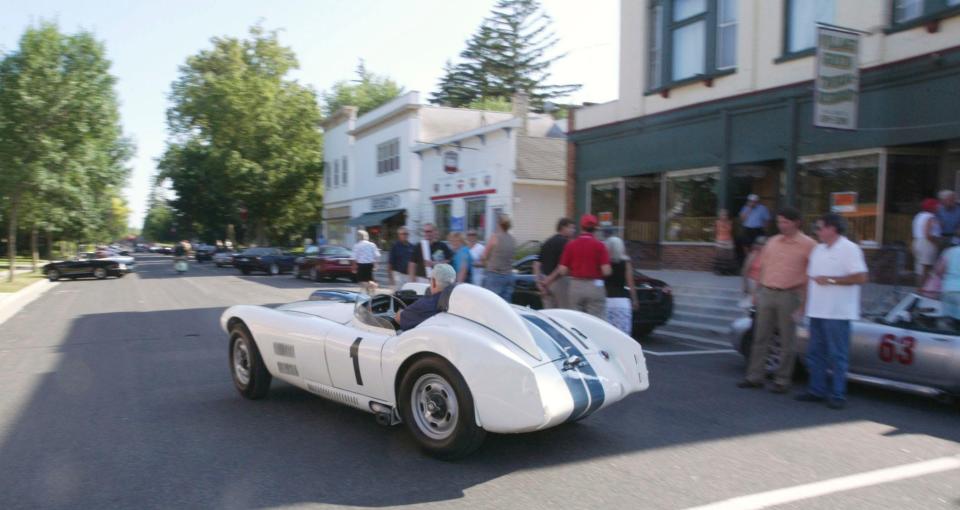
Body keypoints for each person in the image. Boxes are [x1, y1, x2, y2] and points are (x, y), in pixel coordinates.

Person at [738, 207, 817, 393]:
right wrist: (756, 293)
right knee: (760, 336)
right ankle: (754, 377)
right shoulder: (772, 242)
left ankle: (782, 380)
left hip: (789, 295)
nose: (781, 225)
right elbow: (763, 268)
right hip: (767, 292)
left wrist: (804, 304)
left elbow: (811, 275)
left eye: (785, 222)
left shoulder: (809, 245)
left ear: (796, 222)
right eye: (779, 222)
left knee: (787, 339)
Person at [796, 214, 868, 410]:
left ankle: (838, 393)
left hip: (838, 312)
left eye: (819, 228)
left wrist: (832, 280)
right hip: (817, 311)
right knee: (815, 352)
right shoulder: (818, 250)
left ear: (832, 229)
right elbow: (810, 281)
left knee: (837, 355)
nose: (817, 232)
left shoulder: (849, 249)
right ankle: (816, 389)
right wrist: (804, 307)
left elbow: (861, 277)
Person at [543, 214, 612, 319]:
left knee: (576, 319)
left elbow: (562, 270)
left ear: (581, 227)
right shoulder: (600, 245)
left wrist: (573, 271)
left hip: (576, 285)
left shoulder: (571, 245)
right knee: (596, 320)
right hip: (595, 285)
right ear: (595, 228)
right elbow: (606, 271)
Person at [395, 264, 457, 330]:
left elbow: (399, 318)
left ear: (433, 282)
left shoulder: (426, 304)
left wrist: (400, 311)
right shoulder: (457, 301)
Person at [535, 218, 575, 309]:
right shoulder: (566, 243)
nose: (573, 230)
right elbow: (562, 266)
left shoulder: (547, 242)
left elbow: (536, 263)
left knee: (549, 314)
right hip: (560, 281)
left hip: (545, 281)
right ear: (563, 227)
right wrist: (549, 280)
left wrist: (539, 282)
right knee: (564, 311)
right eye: (571, 228)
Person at [603, 235, 639, 335]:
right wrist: (634, 300)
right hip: (622, 300)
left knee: (607, 333)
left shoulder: (605, 263)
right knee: (623, 334)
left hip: (607, 299)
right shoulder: (626, 263)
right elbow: (630, 282)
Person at [482, 214, 517, 301]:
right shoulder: (512, 239)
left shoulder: (495, 237)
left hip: (495, 275)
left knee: (492, 303)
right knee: (506, 304)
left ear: (498, 224)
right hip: (509, 275)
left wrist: (487, 265)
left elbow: (484, 256)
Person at [913, 198, 941, 286]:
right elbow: (927, 233)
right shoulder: (930, 217)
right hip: (927, 244)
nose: (938, 207)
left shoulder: (919, 216)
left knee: (920, 268)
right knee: (926, 267)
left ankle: (919, 289)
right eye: (936, 205)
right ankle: (923, 289)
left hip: (918, 241)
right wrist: (936, 242)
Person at [737, 194, 770, 267]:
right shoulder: (745, 208)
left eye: (754, 201)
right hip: (747, 229)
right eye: (751, 201)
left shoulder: (762, 208)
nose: (752, 203)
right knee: (745, 245)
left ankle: (758, 262)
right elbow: (742, 219)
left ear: (757, 202)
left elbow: (766, 220)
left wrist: (765, 231)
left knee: (758, 246)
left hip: (758, 229)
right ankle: (748, 261)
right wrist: (749, 209)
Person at [740, 236, 767, 308]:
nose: (761, 246)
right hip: (752, 282)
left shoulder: (769, 256)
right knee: (751, 305)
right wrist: (745, 285)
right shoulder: (753, 255)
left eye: (763, 244)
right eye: (759, 243)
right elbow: (745, 270)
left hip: (764, 284)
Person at [714, 208, 737, 275]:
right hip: (720, 240)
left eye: (725, 215)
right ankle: (720, 270)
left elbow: (731, 231)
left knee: (729, 256)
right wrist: (717, 240)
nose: (724, 216)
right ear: (719, 215)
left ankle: (729, 271)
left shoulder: (730, 222)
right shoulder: (717, 222)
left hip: (729, 240)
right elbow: (715, 231)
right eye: (722, 215)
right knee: (721, 256)